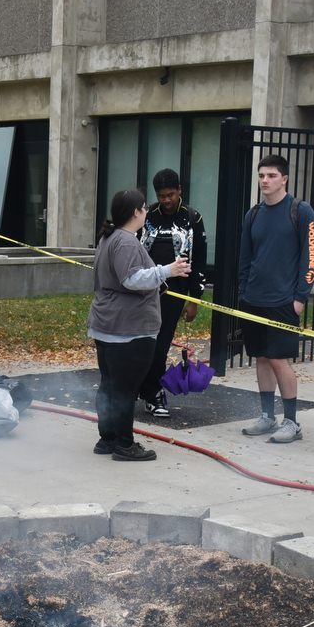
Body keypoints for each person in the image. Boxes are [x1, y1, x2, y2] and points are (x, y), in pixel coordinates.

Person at [89, 188, 190, 461]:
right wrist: (168, 270)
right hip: (127, 330)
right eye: (145, 207)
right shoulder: (125, 241)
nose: (147, 211)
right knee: (124, 389)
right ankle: (124, 444)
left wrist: (159, 277)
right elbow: (131, 279)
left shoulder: (111, 238)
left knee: (110, 385)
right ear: (136, 212)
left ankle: (107, 439)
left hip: (109, 325)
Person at [236, 154, 314, 443]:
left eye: (271, 176)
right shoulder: (253, 214)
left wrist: (300, 298)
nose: (265, 181)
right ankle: (268, 416)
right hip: (254, 299)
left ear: (284, 179)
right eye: (261, 176)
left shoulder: (301, 210)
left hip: (284, 301)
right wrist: (244, 291)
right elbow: (245, 257)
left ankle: (291, 422)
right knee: (260, 357)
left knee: (279, 359)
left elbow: (310, 257)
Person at [136, 168, 208, 419]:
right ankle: (136, 389)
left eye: (171, 194)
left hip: (174, 292)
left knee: (160, 344)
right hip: (143, 289)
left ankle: (153, 392)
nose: (166, 200)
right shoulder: (146, 215)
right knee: (139, 342)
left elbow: (199, 262)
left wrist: (193, 301)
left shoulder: (192, 218)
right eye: (161, 195)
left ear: (180, 191)